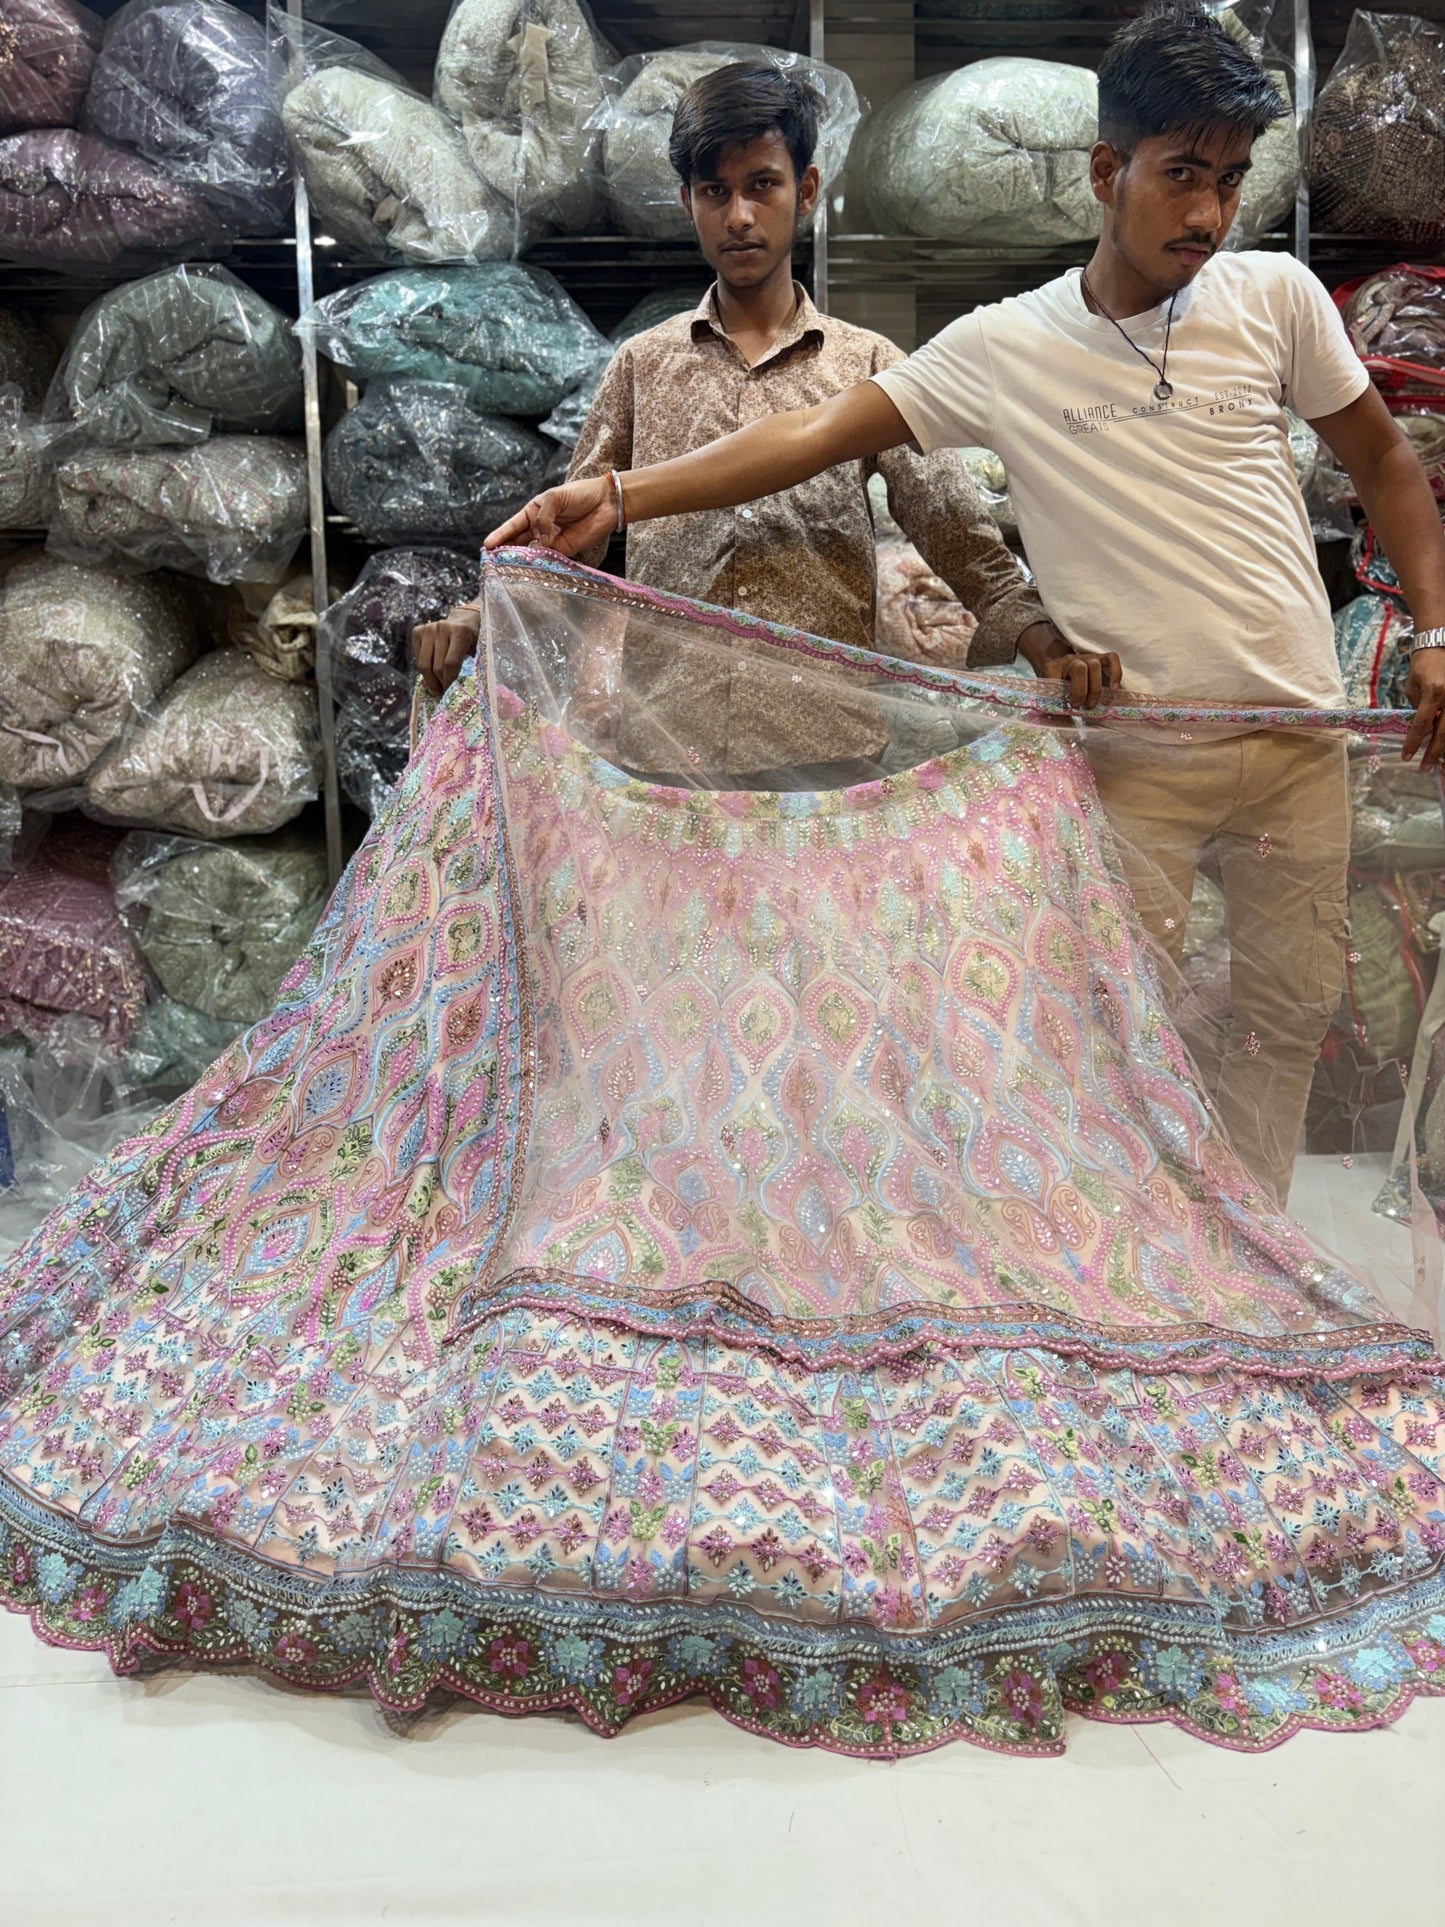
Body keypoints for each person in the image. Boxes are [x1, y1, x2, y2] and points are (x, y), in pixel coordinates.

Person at [486, 0, 1445, 1209]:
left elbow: (1380, 468)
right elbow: (802, 439)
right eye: (1179, 176)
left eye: (1231, 179)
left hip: (1278, 742)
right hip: (1079, 753)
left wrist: (1430, 629)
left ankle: (1240, 1249)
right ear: (1106, 172)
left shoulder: (1274, 298)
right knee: (1102, 1019)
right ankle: (1096, 1245)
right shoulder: (994, 345)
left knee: (1282, 1010)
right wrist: (611, 497)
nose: (1206, 212)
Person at [413, 59, 1113, 716]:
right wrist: (476, 616)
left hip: (825, 747)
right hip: (667, 751)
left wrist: (1044, 643)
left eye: (761, 185)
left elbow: (960, 537)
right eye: (715, 192)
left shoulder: (867, 366)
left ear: (804, 191)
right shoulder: (639, 366)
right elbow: (568, 548)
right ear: (687, 202)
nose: (739, 216)